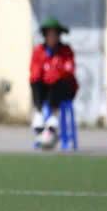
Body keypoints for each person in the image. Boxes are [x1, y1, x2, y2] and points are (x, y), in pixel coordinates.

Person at [30, 16, 78, 147]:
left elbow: (69, 70)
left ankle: (53, 119)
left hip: (64, 89)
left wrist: (54, 72)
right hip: (46, 90)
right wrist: (45, 74)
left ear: (58, 36)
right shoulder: (39, 50)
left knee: (57, 81)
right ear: (45, 36)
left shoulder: (65, 51)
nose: (52, 38)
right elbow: (35, 71)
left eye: (54, 35)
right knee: (35, 81)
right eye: (49, 35)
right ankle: (39, 115)